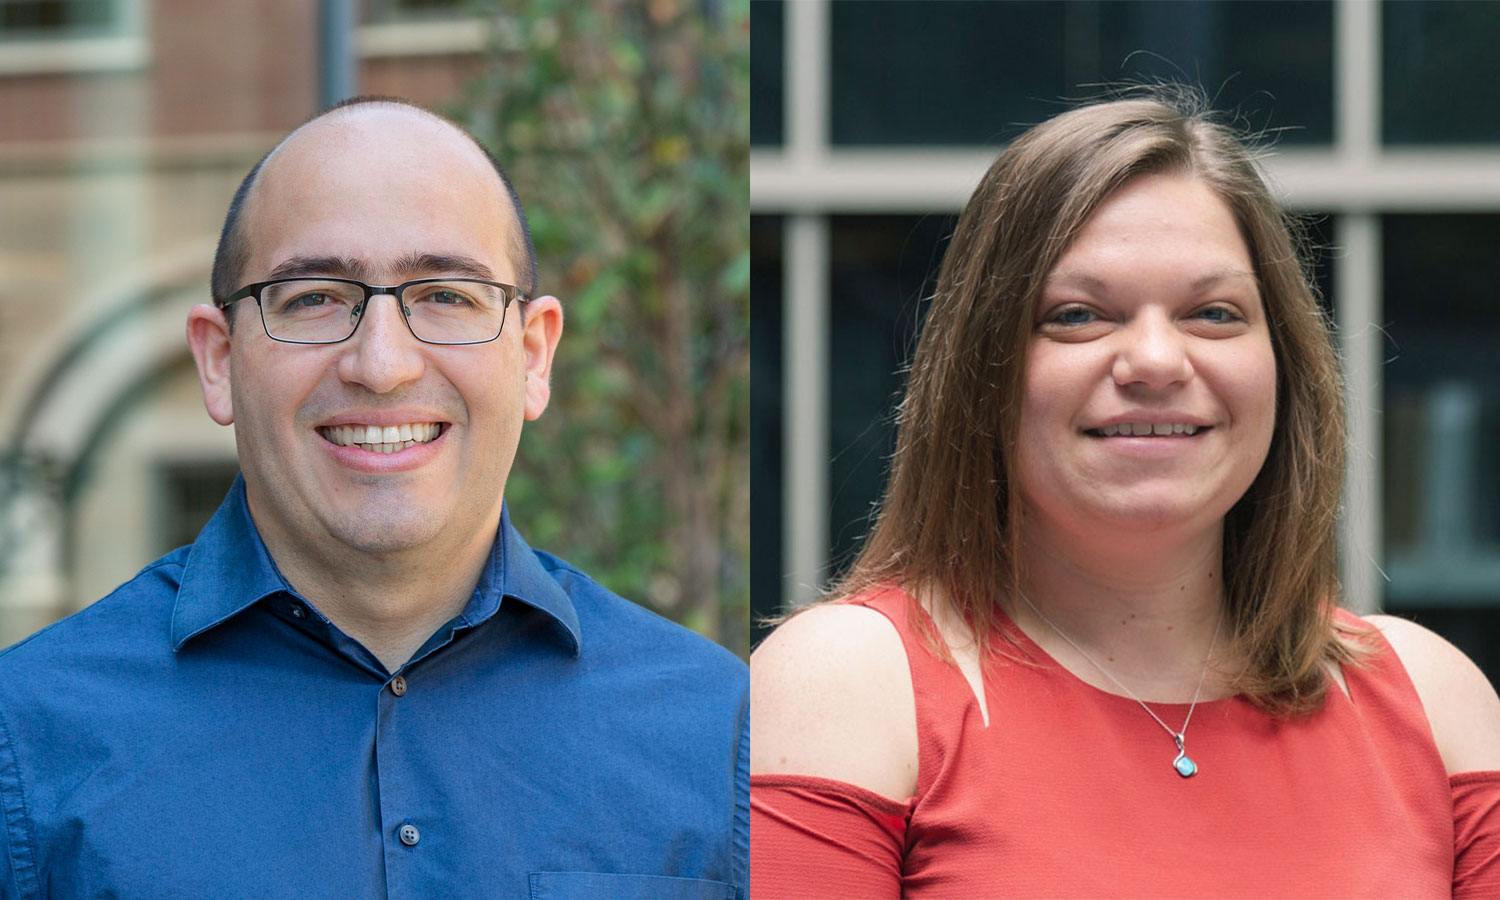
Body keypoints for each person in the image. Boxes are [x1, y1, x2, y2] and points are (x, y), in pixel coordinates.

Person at [750, 92, 1500, 898]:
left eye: (1213, 313)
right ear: (982, 371)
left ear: (1283, 365)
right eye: (1078, 316)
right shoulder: (848, 686)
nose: (1154, 361)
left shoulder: (1433, 703)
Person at [0, 97, 747, 900]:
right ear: (218, 361)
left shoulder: (719, 736)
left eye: (447, 296)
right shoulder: (28, 741)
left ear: (533, 356)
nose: (382, 364)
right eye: (314, 298)